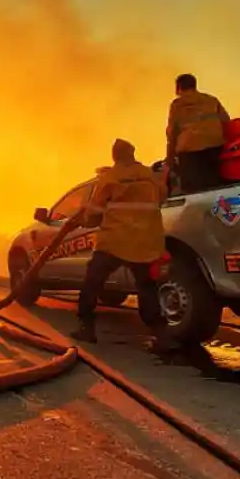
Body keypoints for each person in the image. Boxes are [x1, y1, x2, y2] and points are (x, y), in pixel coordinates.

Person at [70, 138, 166, 344]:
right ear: (133, 153)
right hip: (145, 242)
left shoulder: (110, 178)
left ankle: (87, 328)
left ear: (115, 156)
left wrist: (84, 218)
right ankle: (162, 335)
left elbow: (94, 215)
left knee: (92, 282)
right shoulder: (150, 176)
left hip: (115, 241)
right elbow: (162, 197)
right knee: (147, 286)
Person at [164, 73, 230, 194]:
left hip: (189, 152)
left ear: (178, 88)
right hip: (215, 148)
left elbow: (172, 133)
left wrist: (169, 160)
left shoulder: (177, 105)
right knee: (215, 186)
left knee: (192, 190)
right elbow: (226, 121)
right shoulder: (211, 100)